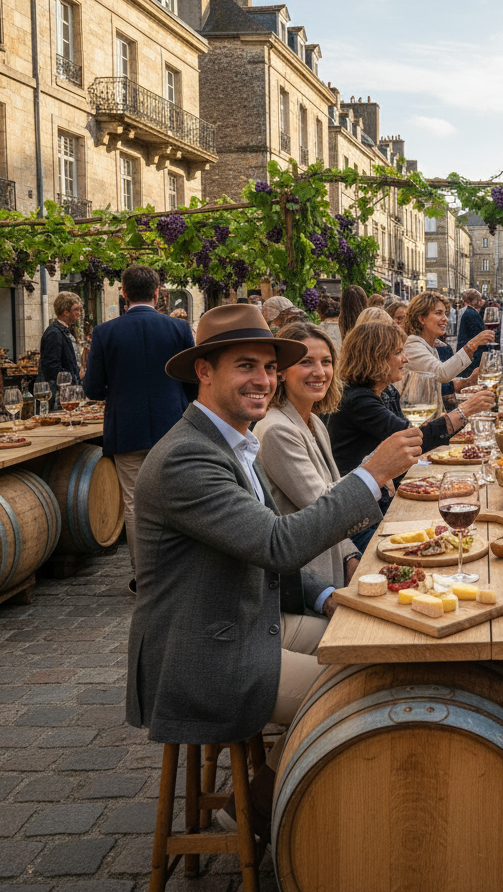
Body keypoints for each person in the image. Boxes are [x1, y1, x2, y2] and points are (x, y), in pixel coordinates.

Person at [127, 303, 423, 839]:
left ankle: (282, 799)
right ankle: (258, 817)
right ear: (204, 372)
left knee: (369, 649)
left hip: (246, 618)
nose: (262, 380)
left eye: (267, 367)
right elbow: (276, 543)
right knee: (358, 691)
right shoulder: (187, 458)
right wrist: (373, 473)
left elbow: (259, 554)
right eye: (246, 366)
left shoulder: (234, 440)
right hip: (205, 651)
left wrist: (328, 595)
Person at [83, 265, 196, 592]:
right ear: (158, 292)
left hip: (127, 428)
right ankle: (180, 572)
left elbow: (92, 388)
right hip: (173, 426)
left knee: (134, 504)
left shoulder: (105, 332)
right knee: (176, 499)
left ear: (123, 293)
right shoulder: (177, 328)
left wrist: (118, 394)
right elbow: (192, 382)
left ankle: (145, 577)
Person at [329, 320, 493, 505]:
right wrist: (464, 411)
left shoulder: (386, 391)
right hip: (359, 506)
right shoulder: (359, 401)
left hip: (381, 493)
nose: (405, 359)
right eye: (398, 353)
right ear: (376, 357)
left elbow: (411, 432)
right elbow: (412, 440)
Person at [253, 320, 361, 588]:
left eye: (326, 361)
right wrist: (376, 469)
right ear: (282, 372)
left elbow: (332, 498)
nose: (319, 372)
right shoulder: (277, 429)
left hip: (335, 564)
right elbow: (324, 506)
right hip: (309, 582)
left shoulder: (314, 422)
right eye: (306, 362)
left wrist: (350, 554)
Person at [403, 292, 494, 389]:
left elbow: (436, 384)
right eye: (438, 313)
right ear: (421, 319)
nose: (445, 319)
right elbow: (441, 374)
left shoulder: (429, 345)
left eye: (445, 314)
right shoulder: (413, 345)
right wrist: (472, 344)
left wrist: (468, 381)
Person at [40, 291, 83, 385]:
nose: (79, 313)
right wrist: (74, 378)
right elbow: (51, 368)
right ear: (66, 312)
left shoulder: (64, 331)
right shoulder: (54, 333)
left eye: (80, 310)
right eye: (76, 310)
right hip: (61, 393)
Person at [456, 288, 487, 378]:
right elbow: (478, 335)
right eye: (479, 300)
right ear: (474, 301)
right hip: (473, 357)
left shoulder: (465, 311)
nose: (481, 302)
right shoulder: (471, 314)